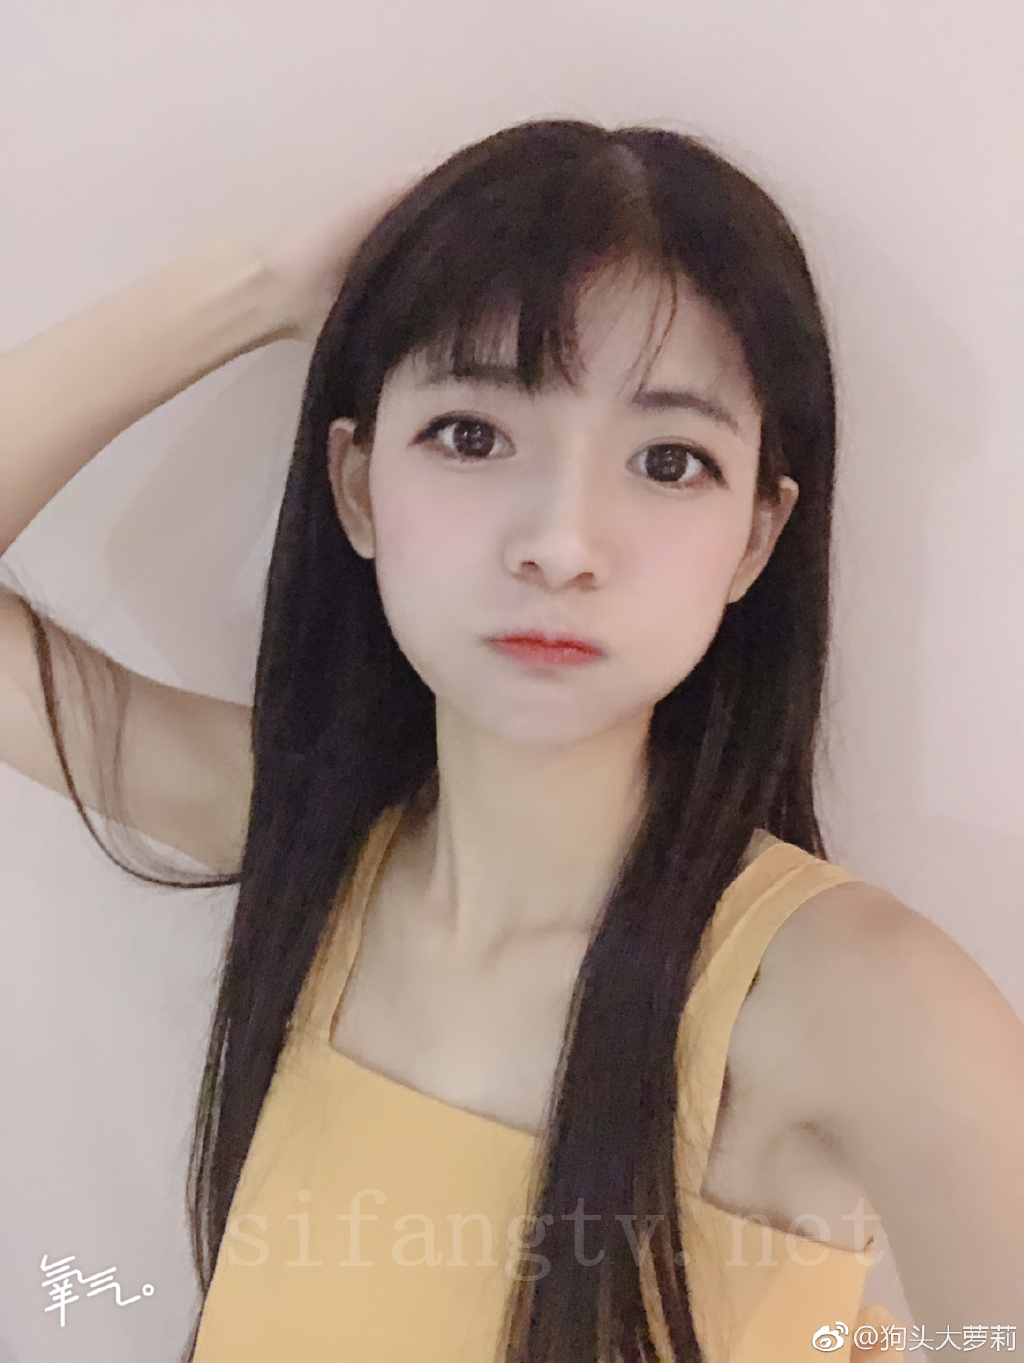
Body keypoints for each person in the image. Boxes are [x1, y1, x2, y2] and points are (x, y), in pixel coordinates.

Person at [1, 119, 1021, 1363]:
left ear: (756, 538)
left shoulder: (860, 1003)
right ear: (356, 486)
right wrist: (256, 285)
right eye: (472, 435)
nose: (561, 544)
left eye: (669, 460)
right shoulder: (307, 837)